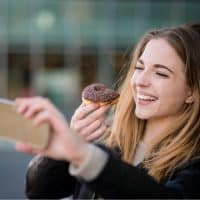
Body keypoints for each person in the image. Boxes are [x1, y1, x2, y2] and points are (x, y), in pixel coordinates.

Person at [15, 22, 200, 199]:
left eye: (160, 73)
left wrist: (85, 156)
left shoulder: (193, 166)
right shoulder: (108, 142)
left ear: (191, 91)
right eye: (139, 67)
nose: (140, 81)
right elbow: (38, 190)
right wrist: (69, 145)